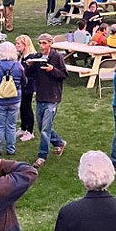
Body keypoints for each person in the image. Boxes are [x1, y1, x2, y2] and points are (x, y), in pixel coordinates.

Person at [33, 33, 68, 168]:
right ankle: (59, 142)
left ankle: (42, 156)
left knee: (45, 129)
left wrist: (52, 69)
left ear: (50, 44)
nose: (41, 46)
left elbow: (64, 74)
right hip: (41, 95)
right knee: (42, 126)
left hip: (52, 97)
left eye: (44, 43)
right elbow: (30, 74)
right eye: (40, 43)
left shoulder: (57, 57)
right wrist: (30, 65)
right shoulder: (37, 57)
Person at [0, 41, 25, 156]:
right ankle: (11, 149)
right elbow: (24, 81)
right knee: (11, 125)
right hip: (15, 99)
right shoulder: (18, 66)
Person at [15, 35, 41, 142]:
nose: (16, 46)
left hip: (29, 86)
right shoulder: (22, 57)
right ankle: (23, 127)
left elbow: (28, 73)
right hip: (23, 85)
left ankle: (30, 131)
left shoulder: (31, 57)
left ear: (25, 45)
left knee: (27, 107)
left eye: (18, 44)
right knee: (22, 106)